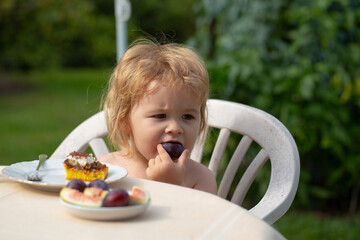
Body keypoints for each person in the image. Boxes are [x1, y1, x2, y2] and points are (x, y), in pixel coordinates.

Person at [100, 39, 217, 194]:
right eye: (161, 116)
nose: (175, 128)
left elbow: (203, 218)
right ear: (124, 121)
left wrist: (174, 186)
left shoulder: (201, 179)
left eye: (187, 117)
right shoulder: (108, 168)